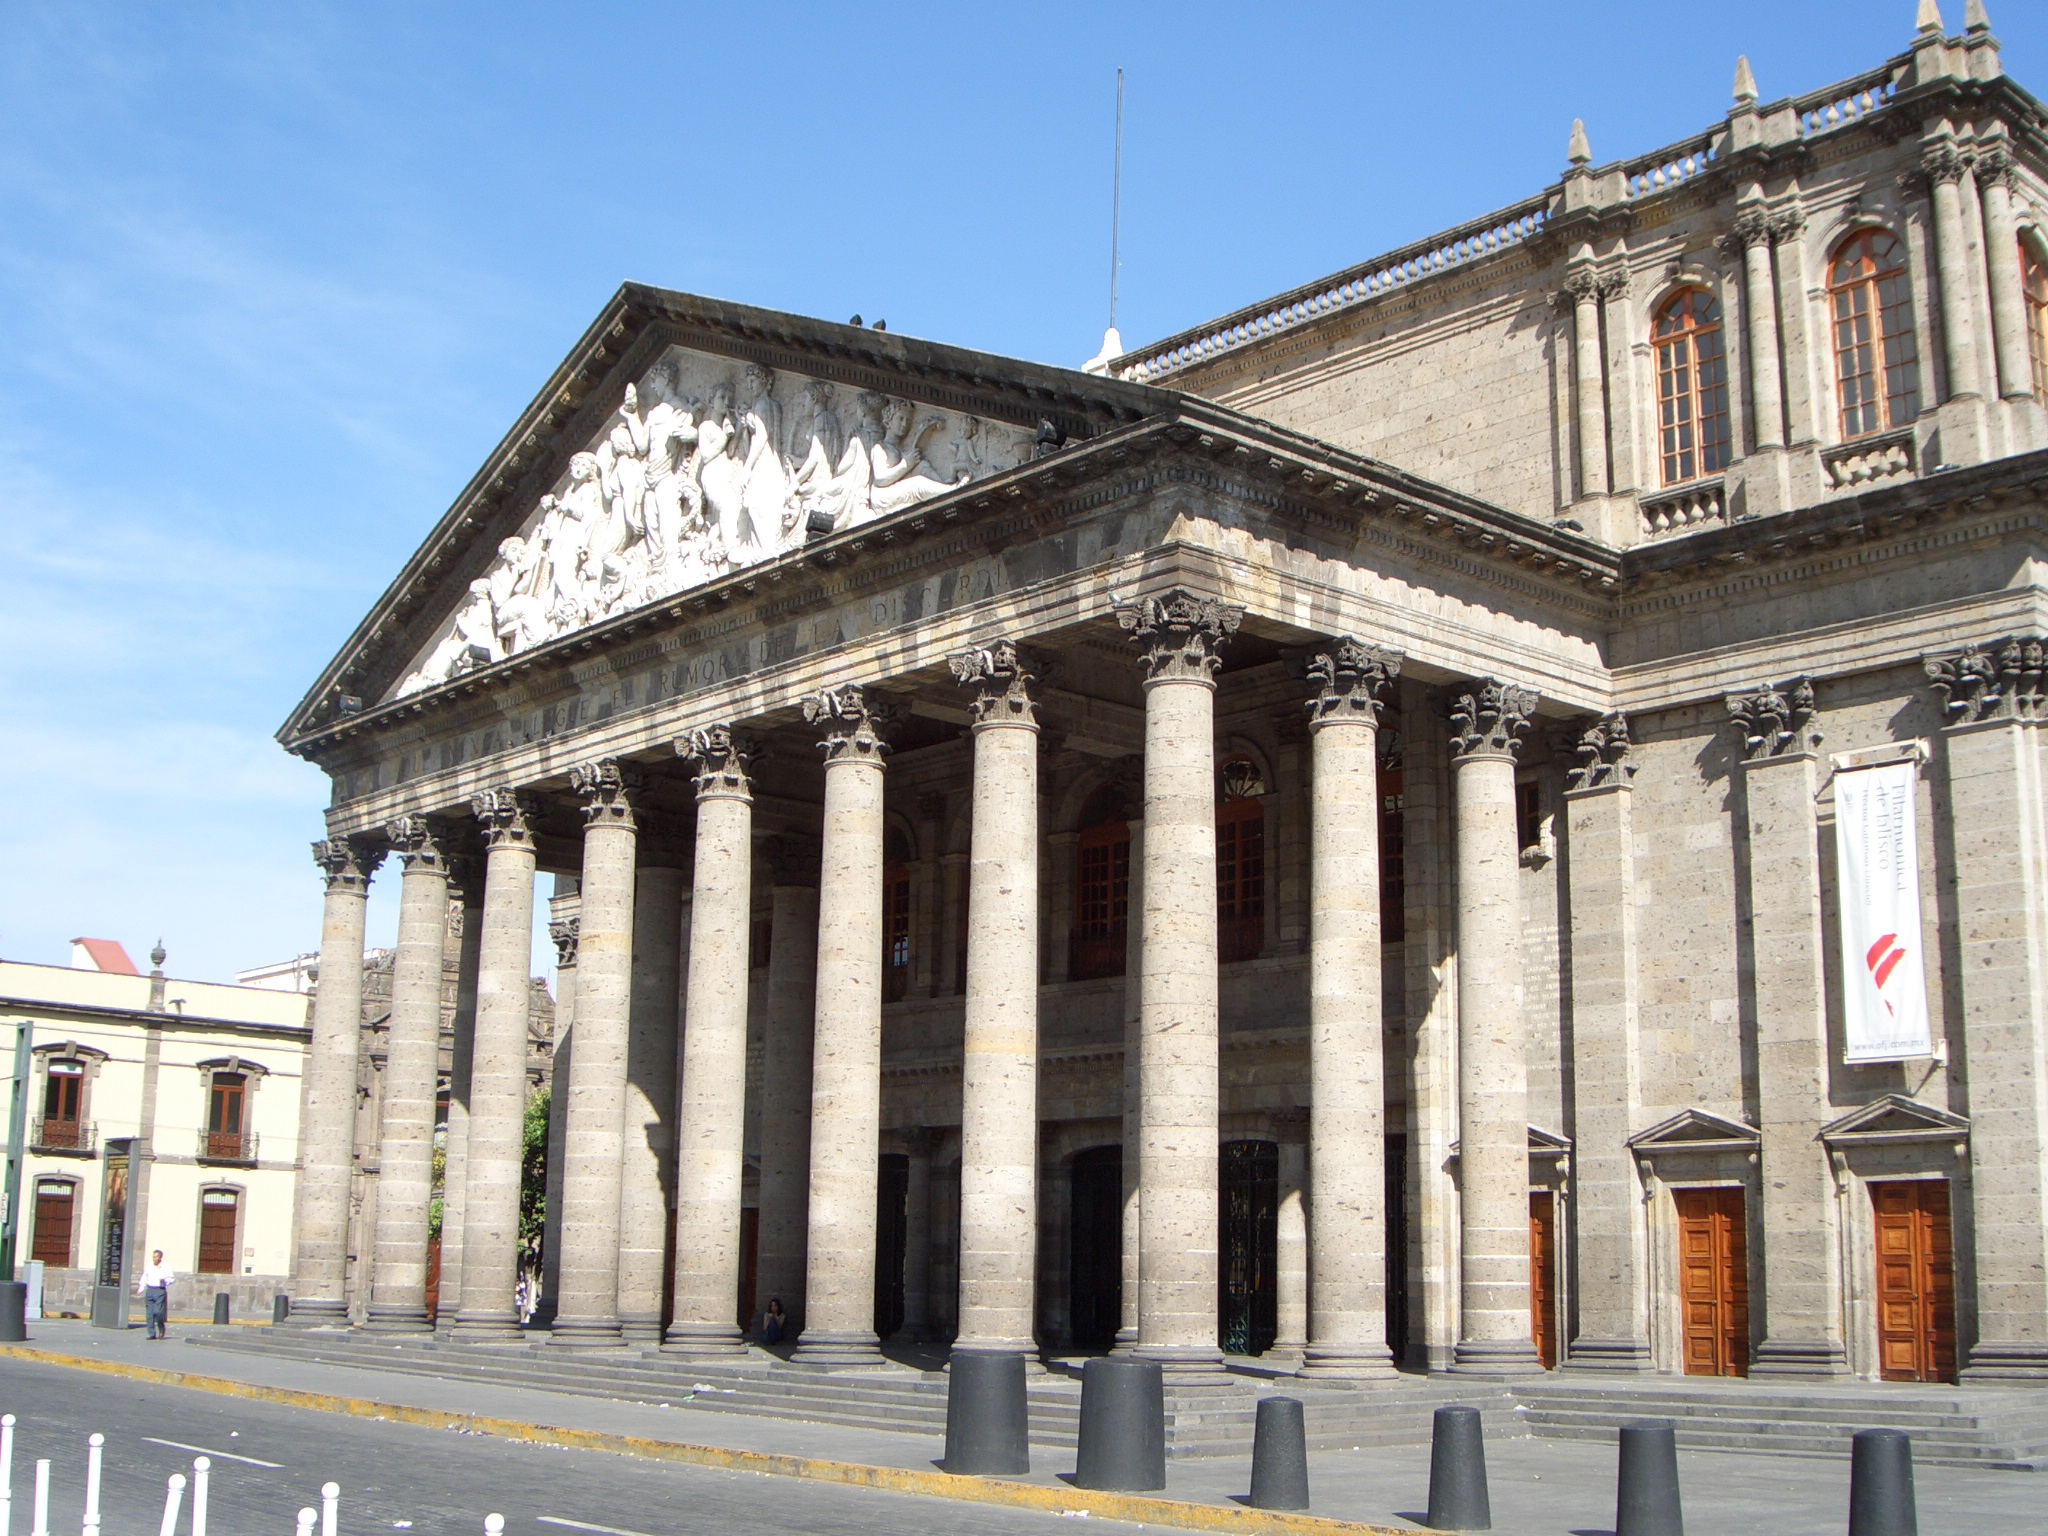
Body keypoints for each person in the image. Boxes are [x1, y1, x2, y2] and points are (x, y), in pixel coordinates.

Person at [135, 1249, 174, 1339]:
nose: (154, 1258)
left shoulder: (165, 1267)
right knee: (149, 1314)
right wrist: (141, 1288)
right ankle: (151, 1333)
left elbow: (171, 1279)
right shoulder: (149, 1266)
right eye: (153, 1256)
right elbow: (144, 1277)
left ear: (160, 1257)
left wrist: (165, 1281)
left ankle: (161, 1328)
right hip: (150, 1289)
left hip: (159, 1290)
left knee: (158, 1312)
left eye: (156, 1257)